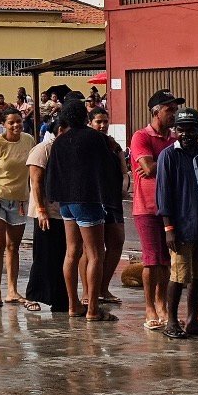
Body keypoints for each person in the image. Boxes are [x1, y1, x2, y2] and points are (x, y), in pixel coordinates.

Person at [47, 100, 123, 321]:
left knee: (72, 252)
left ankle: (74, 305)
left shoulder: (59, 142)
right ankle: (92, 310)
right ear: (84, 117)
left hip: (66, 202)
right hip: (88, 200)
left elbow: (53, 173)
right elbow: (108, 169)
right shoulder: (95, 138)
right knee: (96, 253)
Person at [155, 108, 198, 340]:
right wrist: (168, 229)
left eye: (191, 129)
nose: (186, 134)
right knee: (179, 276)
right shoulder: (168, 156)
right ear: (175, 131)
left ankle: (192, 320)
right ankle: (172, 320)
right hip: (181, 229)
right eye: (181, 129)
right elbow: (163, 195)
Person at [129, 89, 182, 330]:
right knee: (152, 261)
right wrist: (165, 164)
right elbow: (147, 169)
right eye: (169, 109)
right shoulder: (141, 136)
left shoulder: (175, 139)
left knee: (167, 261)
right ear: (155, 112)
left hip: (171, 208)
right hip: (147, 208)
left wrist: (159, 165)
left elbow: (176, 169)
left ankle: (163, 305)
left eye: (175, 109)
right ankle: (150, 307)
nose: (174, 114)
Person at [0, 109, 38, 310]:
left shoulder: (29, 141)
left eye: (19, 121)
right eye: (11, 122)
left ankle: (12, 290)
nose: (16, 126)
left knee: (13, 246)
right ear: (3, 124)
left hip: (19, 200)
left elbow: (35, 170)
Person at [25, 115, 67, 312]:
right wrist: (42, 210)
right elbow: (36, 182)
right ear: (60, 130)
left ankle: (59, 299)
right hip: (45, 212)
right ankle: (33, 295)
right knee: (44, 255)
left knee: (61, 255)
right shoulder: (43, 149)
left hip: (62, 211)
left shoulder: (62, 149)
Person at [88, 107, 127, 305]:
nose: (102, 125)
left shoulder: (113, 145)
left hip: (113, 200)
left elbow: (124, 171)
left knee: (117, 241)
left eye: (105, 121)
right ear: (90, 123)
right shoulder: (87, 143)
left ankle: (103, 288)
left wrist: (125, 183)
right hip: (93, 200)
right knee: (92, 249)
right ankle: (89, 292)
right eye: (98, 122)